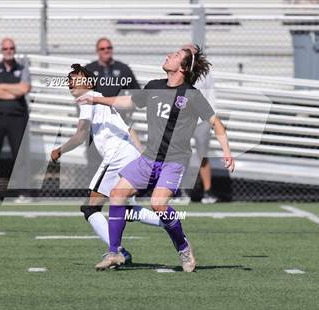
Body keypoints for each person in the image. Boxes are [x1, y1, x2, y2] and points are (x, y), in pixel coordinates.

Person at [77, 47, 235, 272]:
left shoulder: (192, 95)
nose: (169, 55)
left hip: (174, 160)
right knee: (117, 194)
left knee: (158, 204)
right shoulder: (154, 86)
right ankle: (114, 253)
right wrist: (98, 100)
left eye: (176, 55)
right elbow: (129, 102)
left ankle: (183, 246)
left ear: (182, 68)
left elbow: (216, 123)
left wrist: (226, 151)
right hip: (149, 158)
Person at [51, 64, 163, 263]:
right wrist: (143, 155)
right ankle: (169, 221)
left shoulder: (88, 99)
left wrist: (60, 150)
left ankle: (117, 251)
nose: (70, 81)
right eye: (69, 78)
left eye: (75, 77)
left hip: (117, 157)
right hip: (128, 155)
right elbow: (129, 129)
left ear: (88, 82)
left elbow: (81, 135)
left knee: (90, 209)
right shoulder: (101, 100)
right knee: (126, 208)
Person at [84, 38, 141, 183]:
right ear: (97, 51)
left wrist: (129, 107)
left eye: (109, 47)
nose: (106, 50)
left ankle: (122, 192)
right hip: (96, 123)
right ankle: (94, 194)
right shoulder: (89, 70)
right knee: (94, 159)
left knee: (123, 156)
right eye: (102, 48)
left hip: (119, 121)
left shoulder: (123, 69)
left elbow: (137, 93)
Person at [0, 38, 31, 201]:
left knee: (20, 155)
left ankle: (23, 192)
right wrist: (13, 91)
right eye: (5, 48)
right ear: (1, 51)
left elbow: (24, 89)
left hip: (18, 118)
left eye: (11, 48)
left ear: (14, 49)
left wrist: (2, 86)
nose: (8, 50)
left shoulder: (22, 69)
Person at [184, 44, 218, 203]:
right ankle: (182, 192)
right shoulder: (179, 69)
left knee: (202, 155)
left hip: (201, 119)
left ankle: (208, 192)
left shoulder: (206, 72)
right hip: (183, 119)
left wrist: (211, 118)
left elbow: (211, 94)